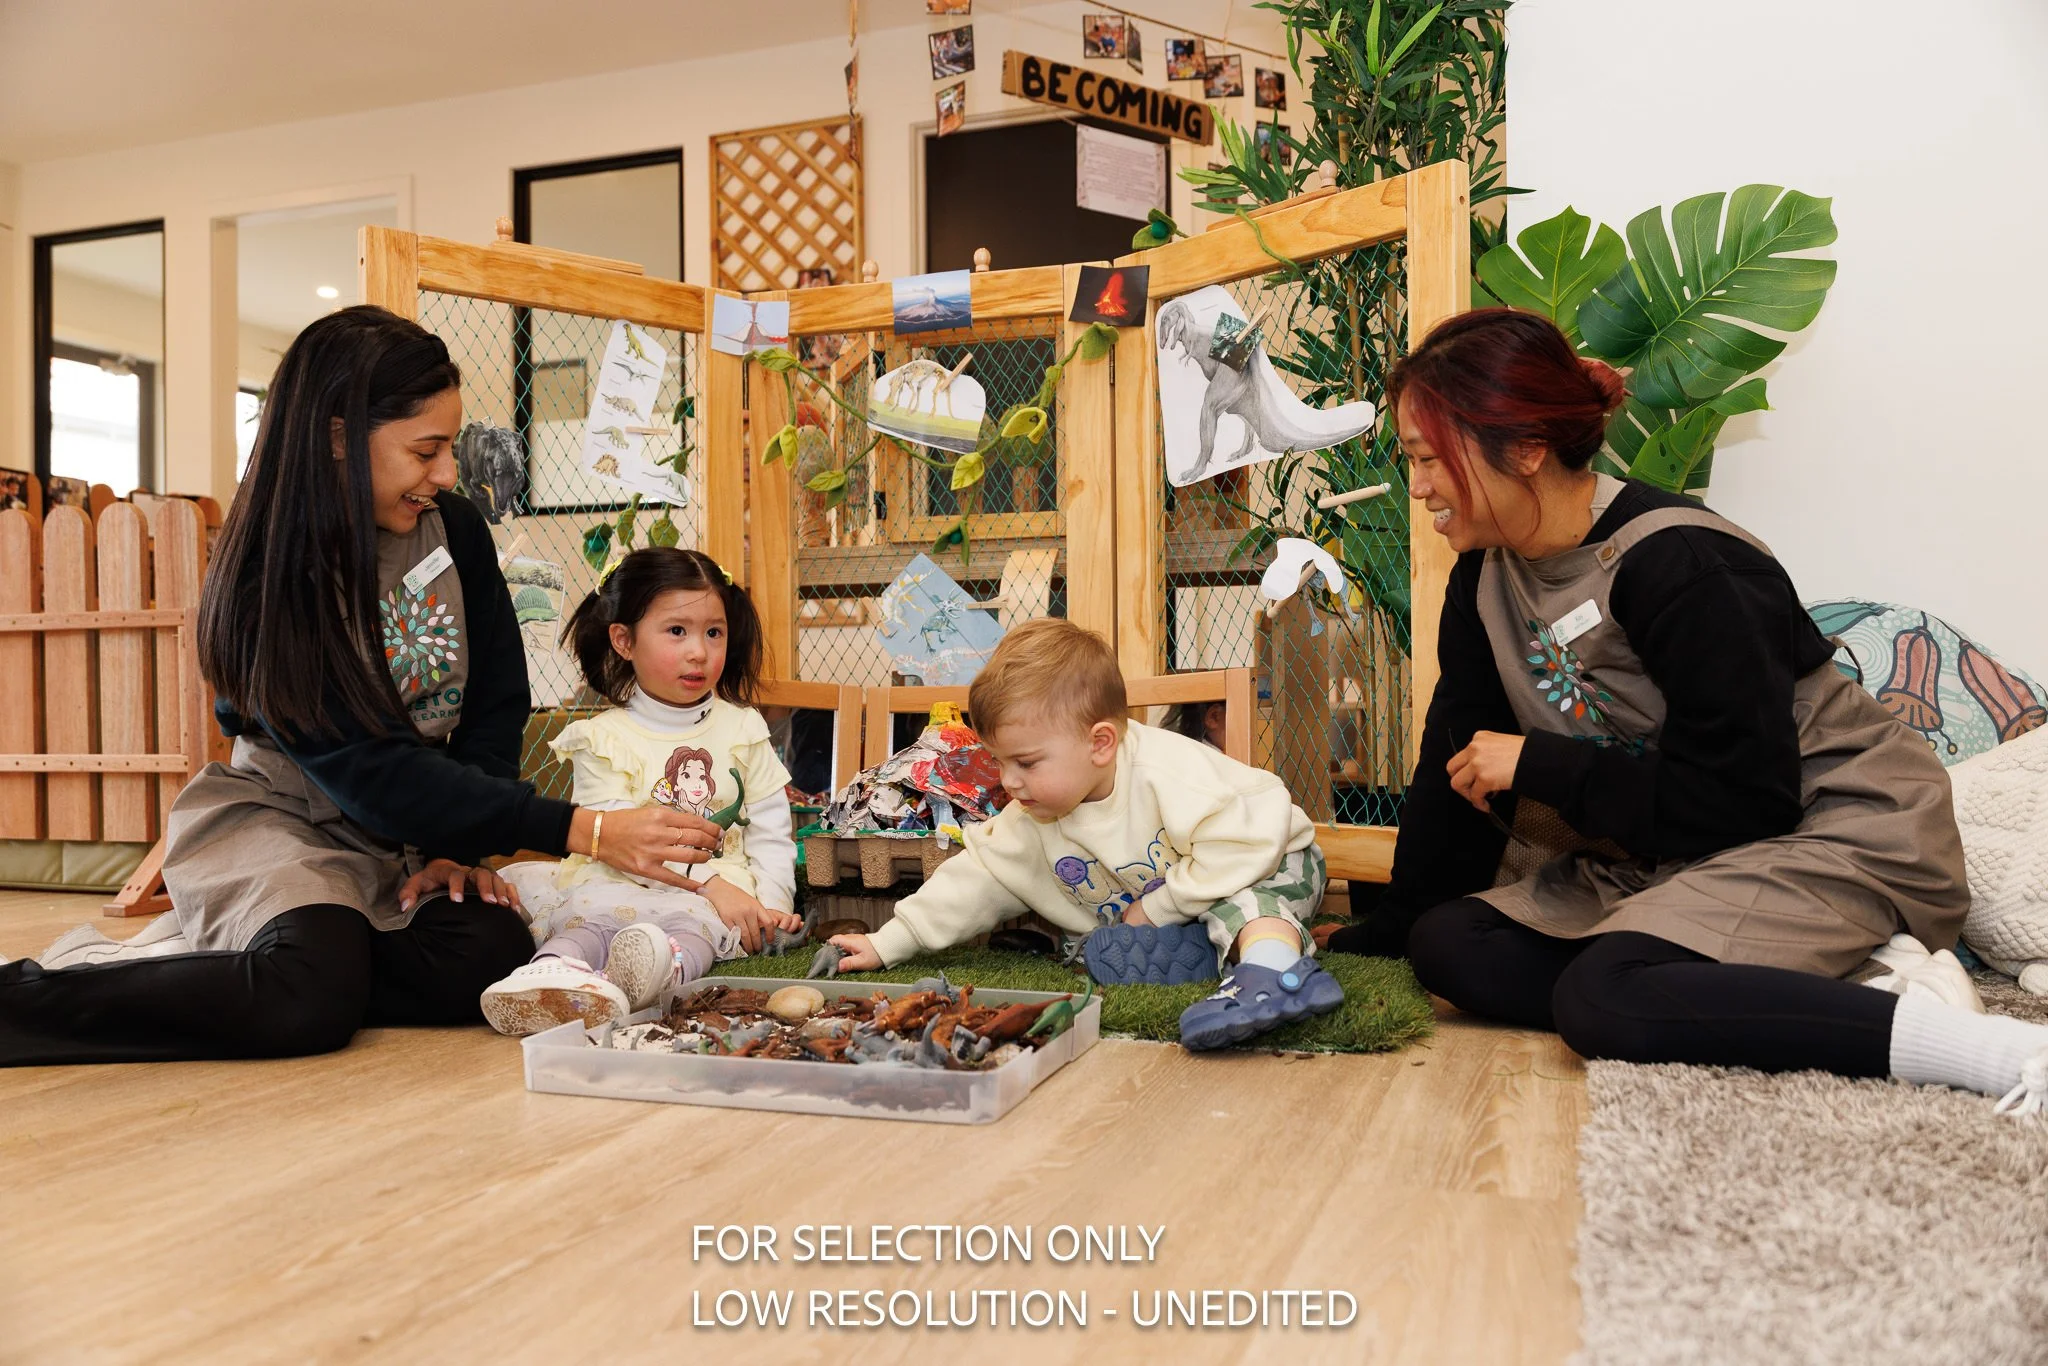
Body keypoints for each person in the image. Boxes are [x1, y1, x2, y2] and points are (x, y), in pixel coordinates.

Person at [1324, 308, 2046, 1117]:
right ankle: (1792, 979)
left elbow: (1744, 799)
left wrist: (1541, 765)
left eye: (1428, 459)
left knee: (1604, 999)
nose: (1418, 485)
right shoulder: (1485, 581)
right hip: (1683, 847)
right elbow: (1455, 761)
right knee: (1452, 946)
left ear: (1525, 449)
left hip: (1831, 826)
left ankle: (1991, 1048)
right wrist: (1392, 928)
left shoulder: (1685, 562)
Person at [0, 306, 721, 1066]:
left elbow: (495, 704)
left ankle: (278, 957)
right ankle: (33, 1000)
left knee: (486, 952)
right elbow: (371, 771)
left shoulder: (455, 531)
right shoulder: (267, 576)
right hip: (279, 822)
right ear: (340, 438)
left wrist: (455, 849)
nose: (446, 473)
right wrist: (589, 830)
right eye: (426, 450)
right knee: (305, 999)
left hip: (401, 837)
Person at [829, 618, 1340, 1051]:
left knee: (1245, 904)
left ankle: (1275, 972)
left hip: (1271, 860)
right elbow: (975, 880)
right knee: (1099, 938)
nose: (1008, 781)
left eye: (1025, 762)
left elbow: (1250, 836)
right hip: (1191, 891)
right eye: (1000, 762)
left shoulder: (1168, 771)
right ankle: (1209, 951)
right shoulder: (1036, 812)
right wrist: (886, 942)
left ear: (1099, 744)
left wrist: (1156, 911)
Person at [480, 548, 801, 1036]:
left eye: (713, 632)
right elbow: (616, 838)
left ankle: (654, 975)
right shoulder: (603, 738)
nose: (699, 651)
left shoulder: (744, 728)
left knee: (695, 930)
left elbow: (772, 831)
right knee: (590, 917)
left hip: (717, 892)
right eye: (677, 631)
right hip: (622, 874)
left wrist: (771, 905)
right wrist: (710, 884)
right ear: (624, 640)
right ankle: (552, 973)